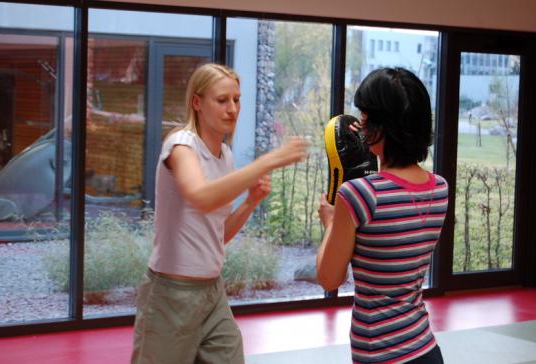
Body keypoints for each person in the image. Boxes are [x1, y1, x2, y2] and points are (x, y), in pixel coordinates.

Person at [131, 63, 307, 364]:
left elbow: (218, 233)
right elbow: (201, 197)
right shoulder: (181, 145)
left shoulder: (224, 155)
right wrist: (270, 160)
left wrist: (250, 201)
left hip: (212, 291)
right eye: (222, 100)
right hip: (171, 293)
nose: (232, 108)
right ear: (197, 103)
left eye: (236, 100)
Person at [317, 67, 449, 364]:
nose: (361, 129)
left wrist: (329, 222)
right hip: (426, 349)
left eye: (365, 120)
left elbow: (329, 278)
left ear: (382, 128)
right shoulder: (439, 188)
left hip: (381, 355)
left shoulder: (359, 195)